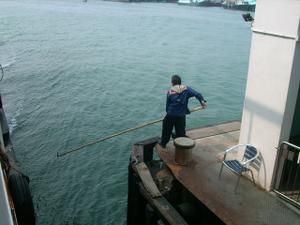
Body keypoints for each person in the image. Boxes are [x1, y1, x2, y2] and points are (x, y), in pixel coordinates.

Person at [159, 75, 207, 148]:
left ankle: (163, 143)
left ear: (172, 83)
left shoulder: (170, 91)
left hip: (171, 114)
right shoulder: (186, 89)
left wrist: (169, 113)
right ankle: (179, 139)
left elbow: (167, 106)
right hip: (181, 115)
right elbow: (197, 94)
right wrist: (202, 102)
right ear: (180, 82)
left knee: (166, 129)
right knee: (181, 130)